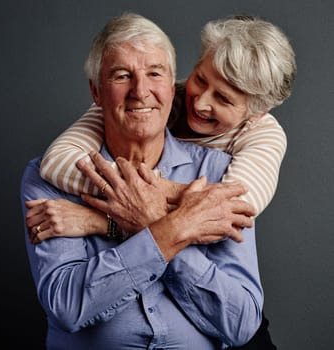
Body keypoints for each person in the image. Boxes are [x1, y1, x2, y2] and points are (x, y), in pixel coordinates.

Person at [21, 12, 264, 349]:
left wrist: (139, 223)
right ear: (96, 91)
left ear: (172, 84)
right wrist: (171, 230)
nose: (140, 91)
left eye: (154, 73)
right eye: (122, 76)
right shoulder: (51, 178)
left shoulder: (220, 175)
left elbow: (241, 323)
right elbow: (67, 306)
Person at [37, 15, 296, 224]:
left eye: (223, 99)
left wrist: (99, 220)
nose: (200, 102)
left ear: (256, 112)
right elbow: (57, 162)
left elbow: (232, 212)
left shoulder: (263, 135)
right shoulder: (152, 100)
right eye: (200, 79)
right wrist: (184, 197)